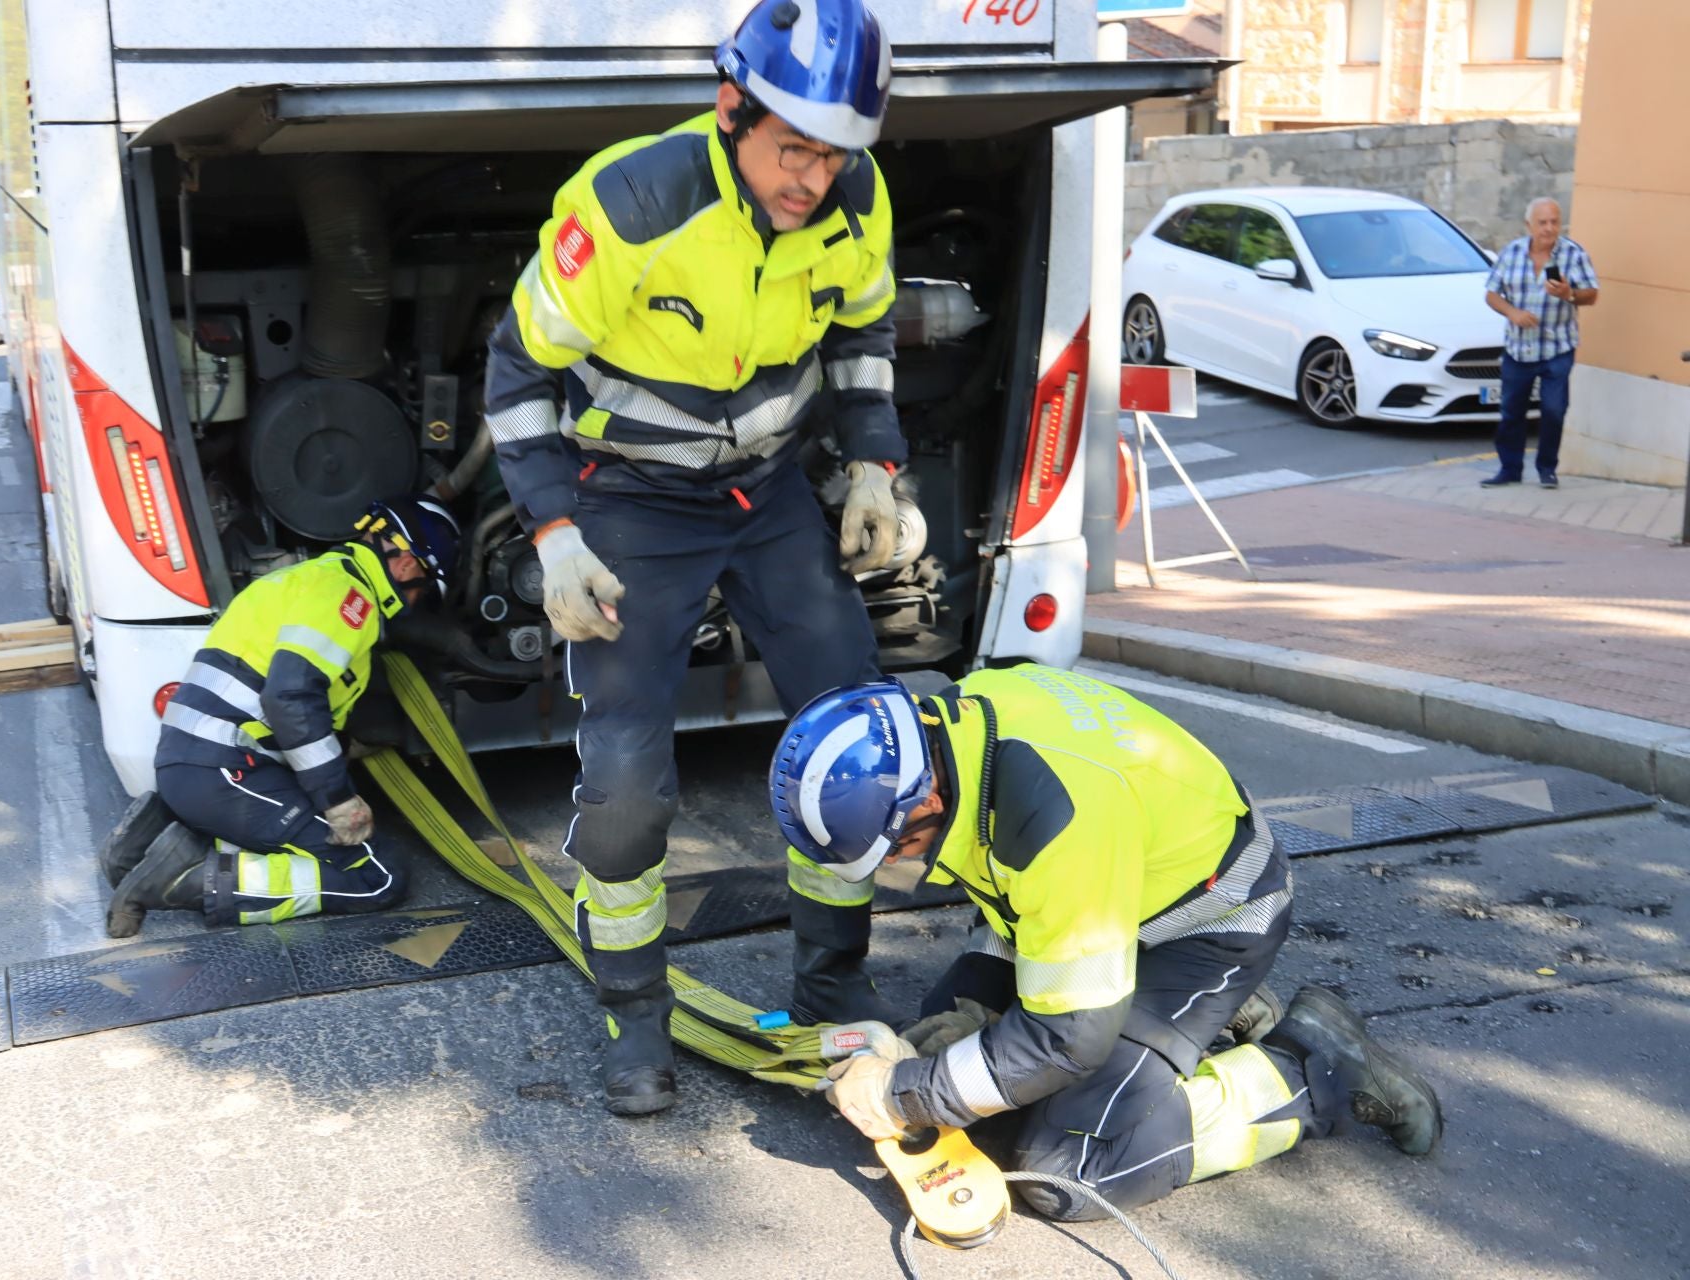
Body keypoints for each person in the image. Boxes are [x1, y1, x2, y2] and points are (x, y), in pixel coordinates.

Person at [482, 0, 905, 1116]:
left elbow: (863, 331)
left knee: (857, 737)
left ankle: (832, 986)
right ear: (732, 109)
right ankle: (634, 1015)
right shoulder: (631, 202)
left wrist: (873, 464)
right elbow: (517, 375)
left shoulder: (856, 199)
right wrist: (554, 532)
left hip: (765, 497)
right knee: (624, 786)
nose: (814, 178)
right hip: (629, 504)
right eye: (794, 148)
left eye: (836, 154)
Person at [771, 667, 1443, 1221]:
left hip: (1208, 927)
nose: (898, 867)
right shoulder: (957, 727)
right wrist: (973, 1021)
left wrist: (905, 1095)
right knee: (960, 1058)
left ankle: (1316, 1071)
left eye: (897, 850)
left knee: (1067, 1168)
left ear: (921, 803)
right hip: (1110, 908)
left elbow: (1068, 1038)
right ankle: (1195, 1022)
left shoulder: (1056, 821)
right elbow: (1024, 902)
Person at [101, 494, 461, 937]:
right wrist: (337, 799)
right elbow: (290, 697)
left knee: (277, 840)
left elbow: (281, 700)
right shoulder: (351, 599)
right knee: (377, 876)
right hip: (227, 772)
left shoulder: (308, 578)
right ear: (408, 565)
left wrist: (348, 746)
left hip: (191, 764)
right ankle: (188, 878)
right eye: (423, 590)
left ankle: (150, 841)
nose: (415, 601)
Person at [1482, 197, 1599, 490]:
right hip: (1518, 348)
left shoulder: (1573, 255)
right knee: (1511, 411)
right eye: (1543, 222)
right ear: (1529, 225)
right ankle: (1509, 469)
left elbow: (1592, 294)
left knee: (1554, 409)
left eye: (1554, 222)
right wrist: (1513, 313)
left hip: (1557, 347)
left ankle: (1547, 468)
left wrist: (1568, 293)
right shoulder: (1512, 252)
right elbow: (1492, 294)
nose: (1549, 228)